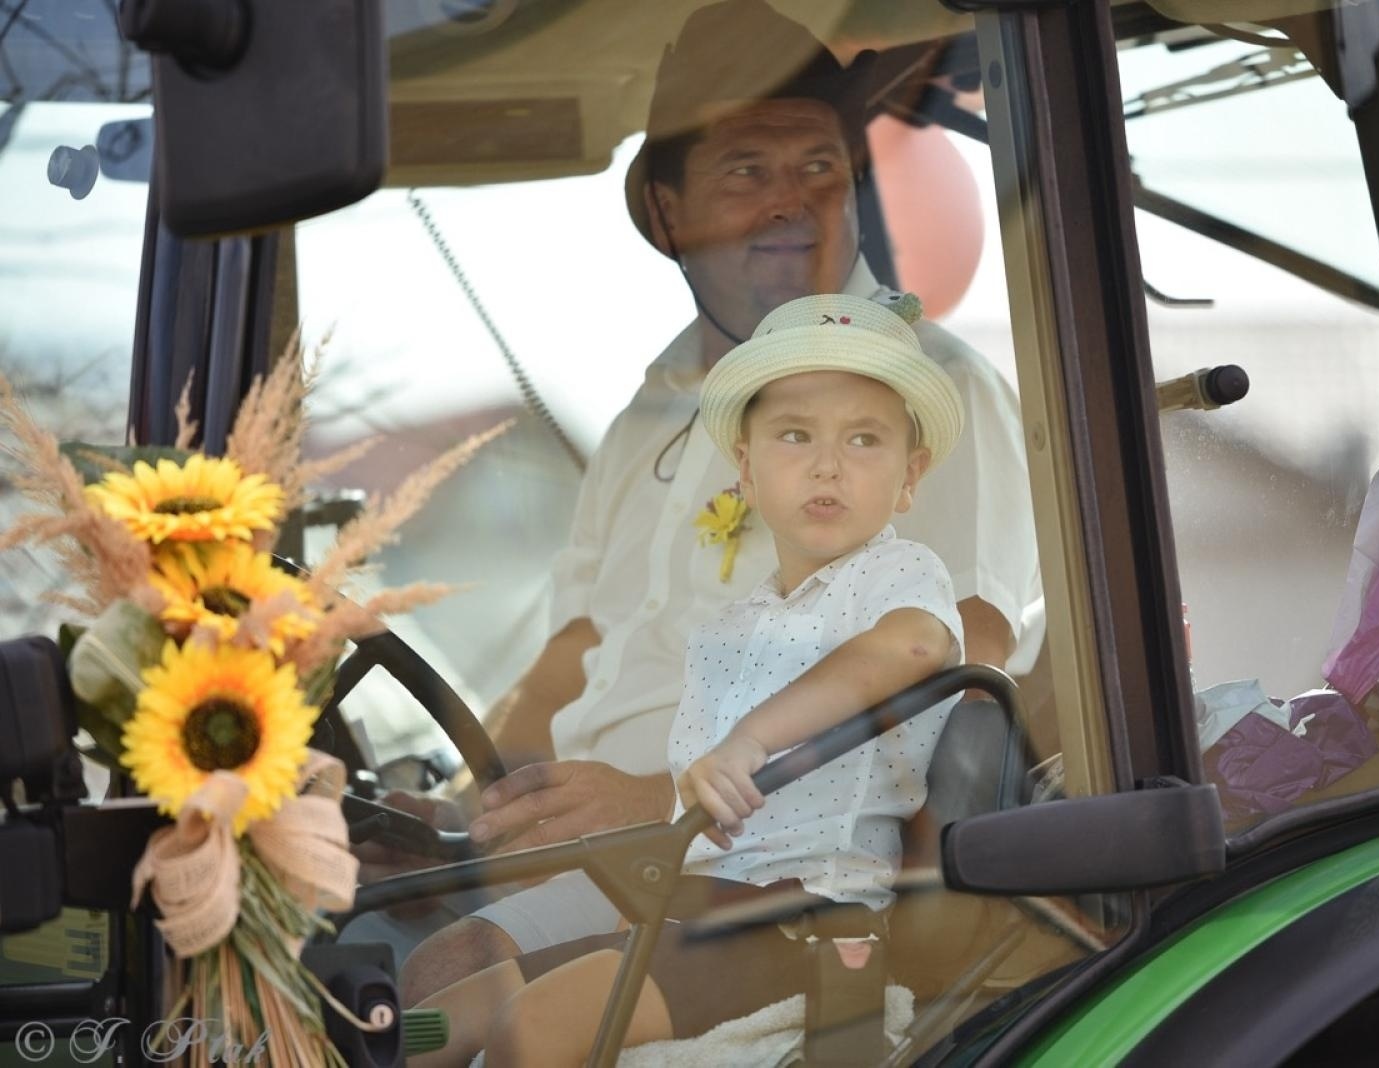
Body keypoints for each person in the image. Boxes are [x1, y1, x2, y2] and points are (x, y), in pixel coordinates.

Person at [392, 0, 1039, 1006]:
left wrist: (665, 797)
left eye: (819, 168)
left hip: (754, 863)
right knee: (388, 962)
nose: (791, 202)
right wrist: (458, 811)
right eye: (747, 170)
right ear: (667, 212)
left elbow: (956, 673)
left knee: (490, 1005)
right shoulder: (644, 421)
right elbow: (571, 662)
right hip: (602, 847)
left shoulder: (923, 398)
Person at [414, 291, 968, 1066]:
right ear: (744, 467)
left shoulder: (899, 577)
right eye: (795, 435)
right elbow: (695, 817)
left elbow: (909, 652)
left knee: (532, 1028)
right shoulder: (732, 627)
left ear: (910, 477)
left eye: (865, 440)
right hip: (696, 904)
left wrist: (752, 740)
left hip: (801, 916)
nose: (827, 464)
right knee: (432, 1020)